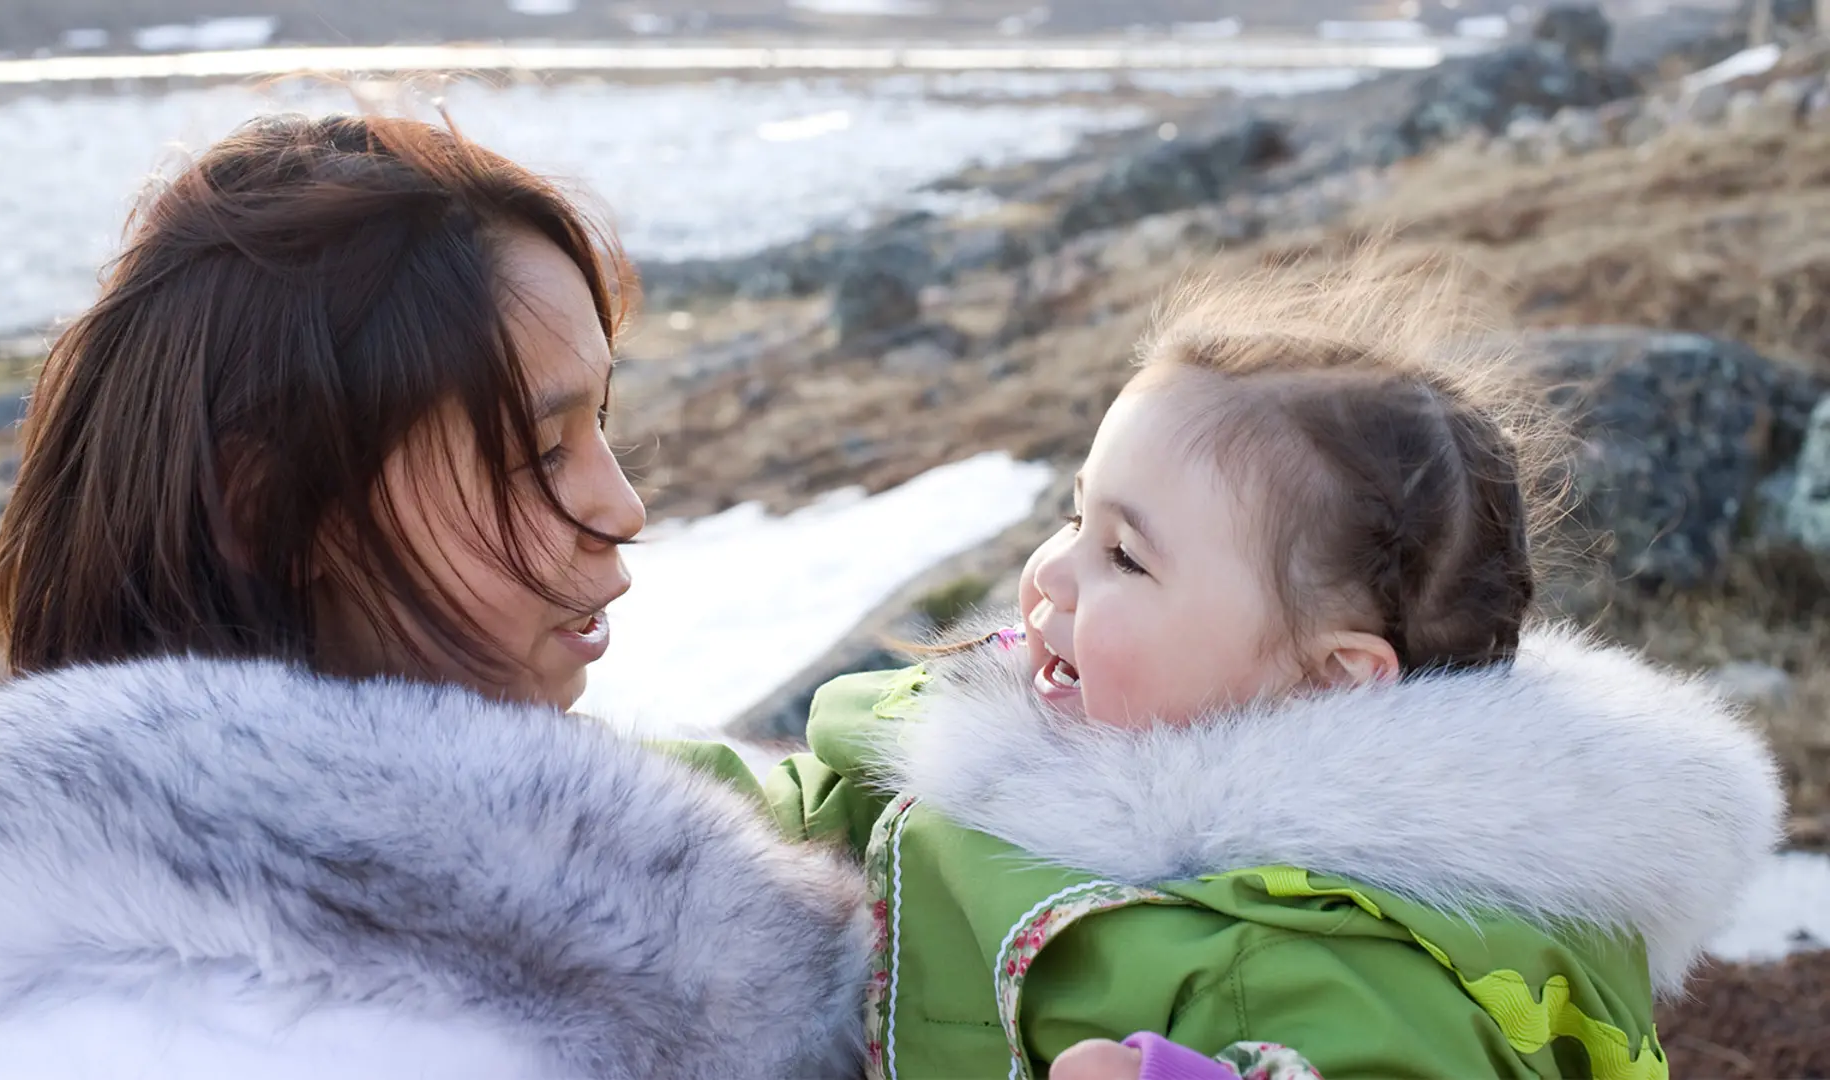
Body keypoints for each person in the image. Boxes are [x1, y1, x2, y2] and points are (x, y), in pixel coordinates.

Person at [0, 114, 870, 1079]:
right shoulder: (243, 1038)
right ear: (276, 512)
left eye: (602, 422)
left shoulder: (572, 848)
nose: (622, 508)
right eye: (538, 453)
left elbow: (832, 803)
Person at [746, 262, 1786, 1079]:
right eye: (1073, 514)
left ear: (1332, 680)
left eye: (1125, 556)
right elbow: (787, 804)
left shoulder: (1336, 953)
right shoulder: (1007, 731)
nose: (1051, 574)